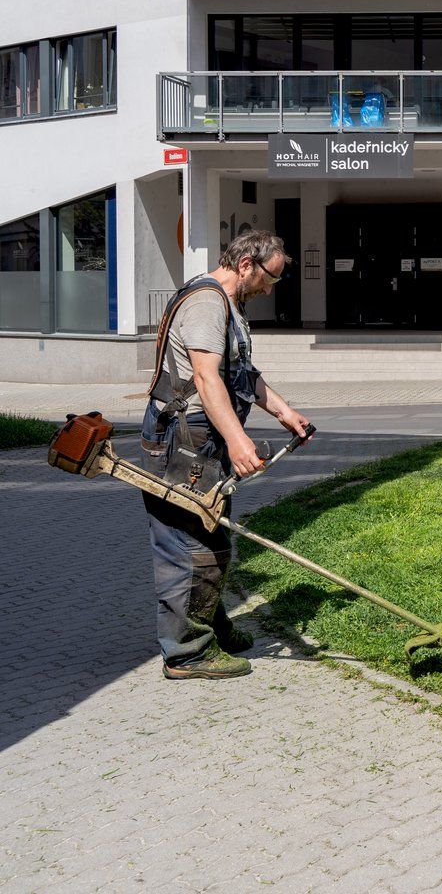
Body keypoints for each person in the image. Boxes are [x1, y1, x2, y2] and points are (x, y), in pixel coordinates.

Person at [141, 231, 310, 680]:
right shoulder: (206, 303)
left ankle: (208, 629)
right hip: (184, 439)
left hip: (201, 438)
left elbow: (241, 375)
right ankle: (188, 653)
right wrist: (238, 442)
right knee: (189, 545)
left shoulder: (227, 306)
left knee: (211, 536)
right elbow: (206, 377)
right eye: (269, 278)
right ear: (245, 265)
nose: (269, 289)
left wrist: (285, 412)